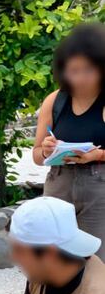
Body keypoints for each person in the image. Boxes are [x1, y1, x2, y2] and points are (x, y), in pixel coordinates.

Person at [33, 23, 105, 258]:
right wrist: (46, 150)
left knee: (96, 258)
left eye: (87, 70)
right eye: (73, 71)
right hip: (58, 183)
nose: (80, 78)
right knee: (53, 257)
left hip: (98, 186)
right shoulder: (55, 101)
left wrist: (97, 155)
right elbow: (36, 155)